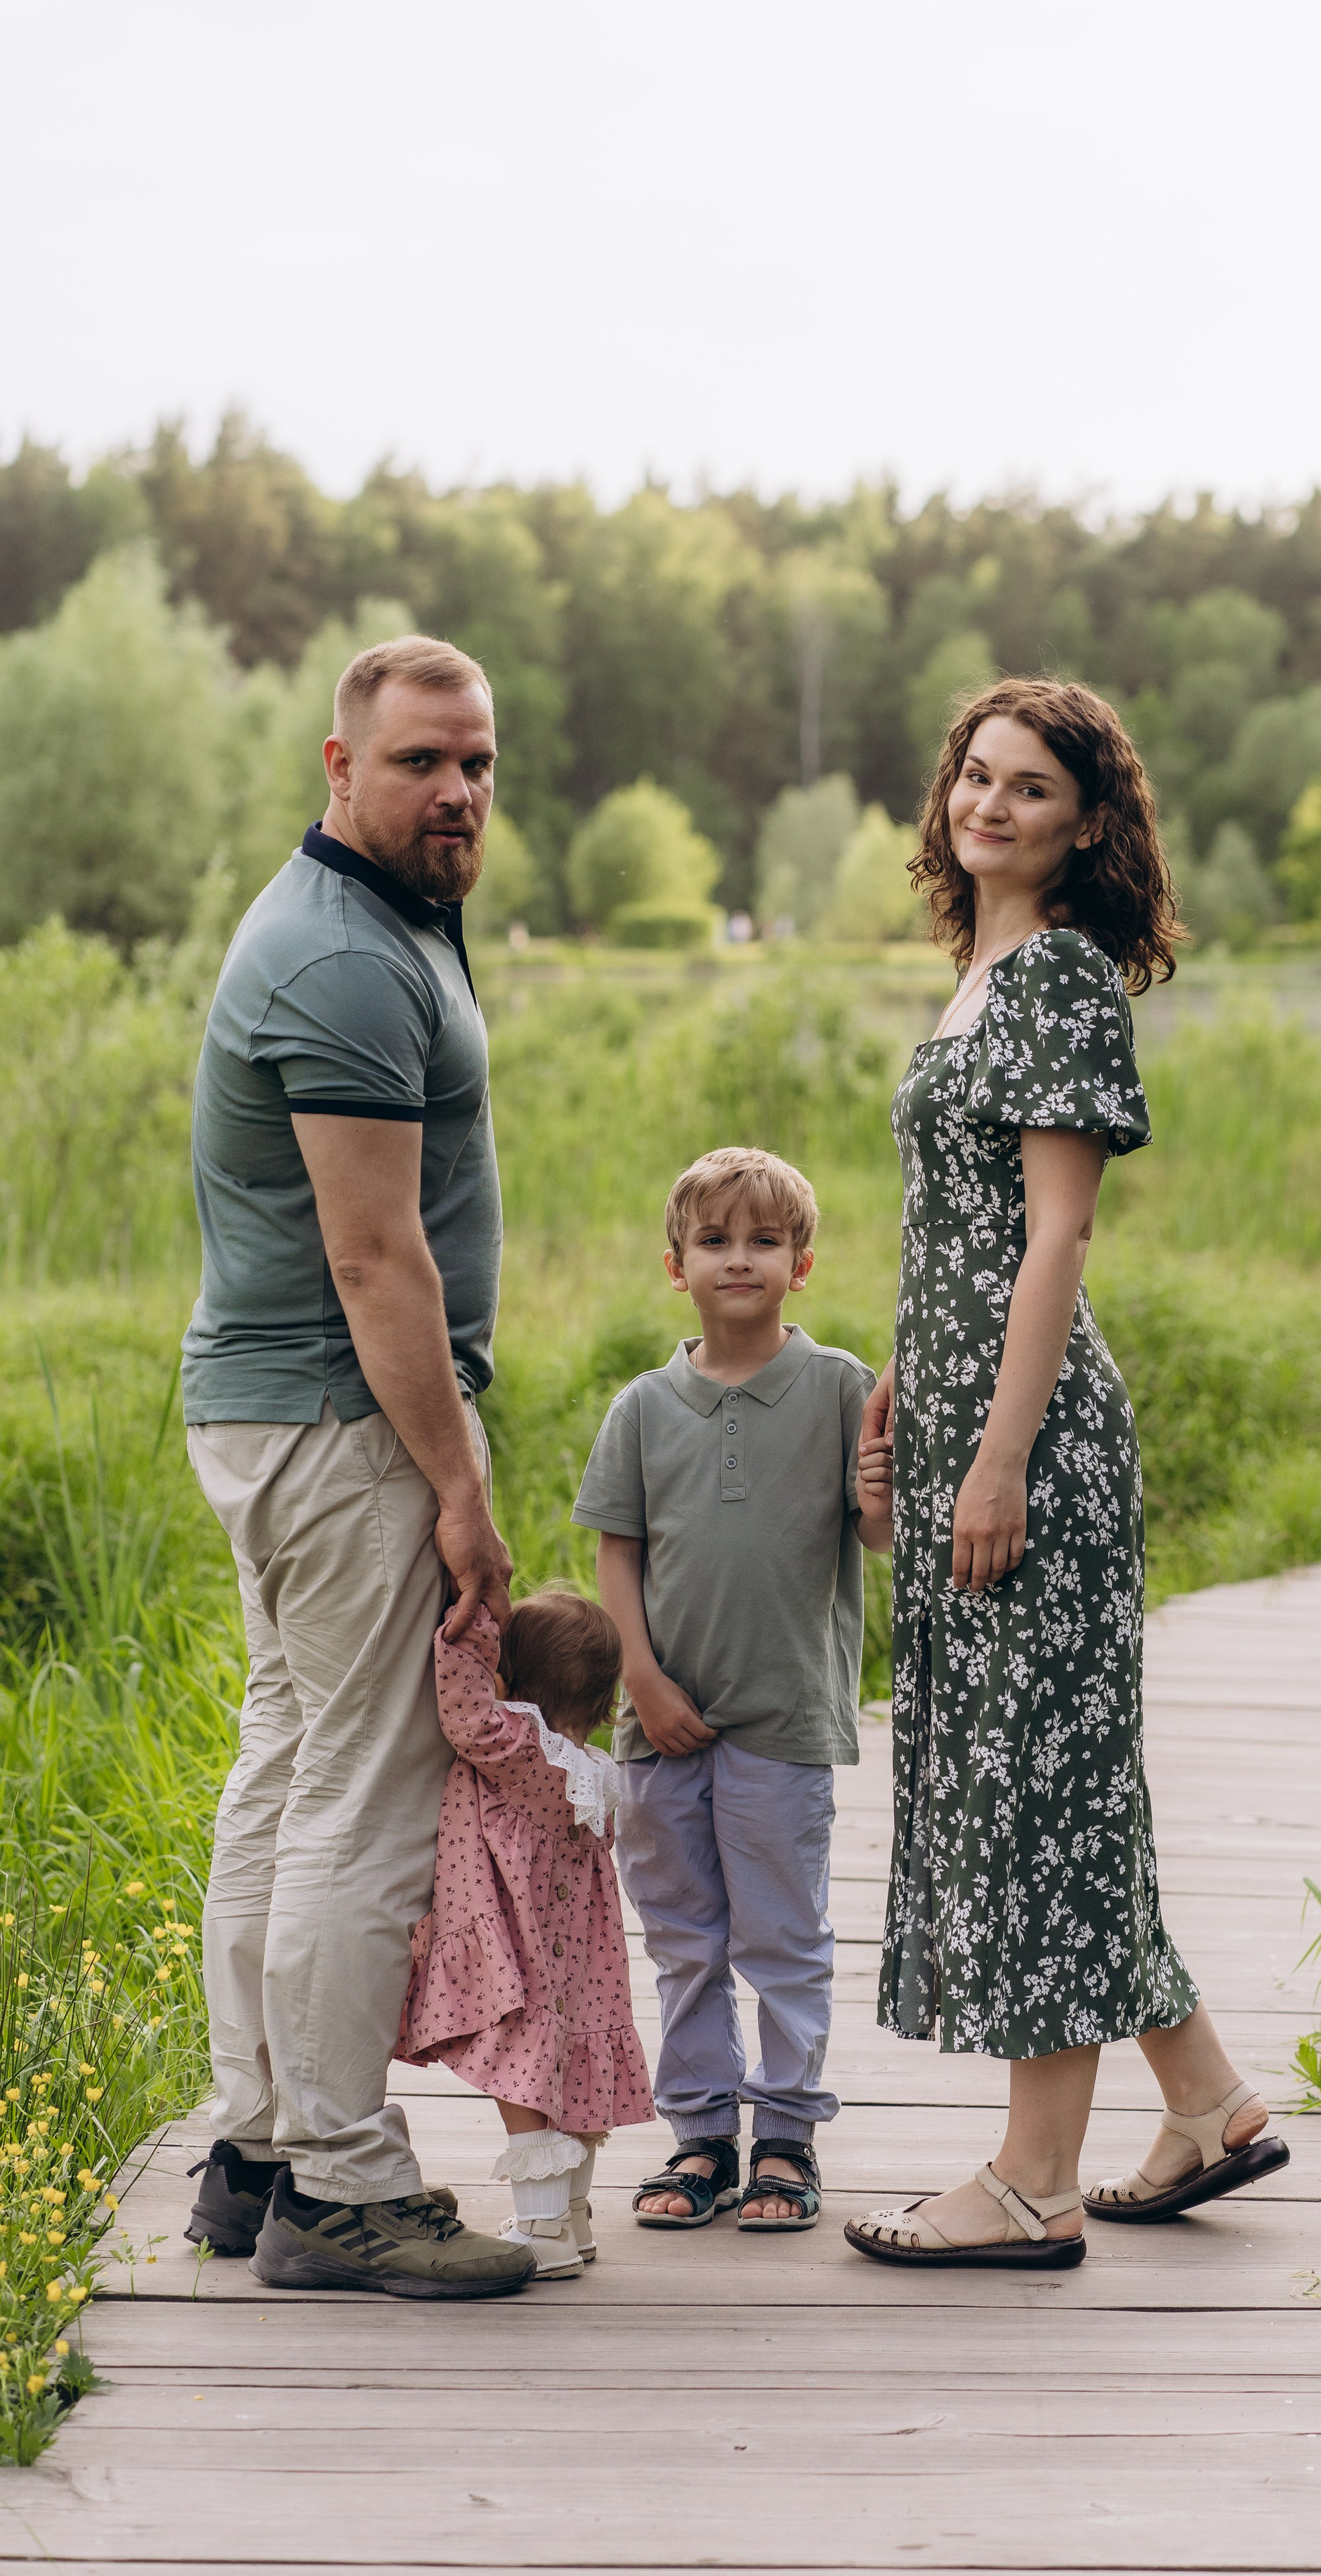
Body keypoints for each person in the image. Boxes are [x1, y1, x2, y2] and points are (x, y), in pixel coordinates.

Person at [843, 678, 1289, 2271]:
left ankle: (1032, 2180)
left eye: (1029, 786)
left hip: (1031, 1451)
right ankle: (1209, 2103)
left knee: (1042, 1794)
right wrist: (912, 1372)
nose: (989, 803)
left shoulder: (1054, 982)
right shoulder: (974, 973)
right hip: (969, 1409)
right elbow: (957, 1228)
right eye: (974, 775)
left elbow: (1056, 1231)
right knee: (1056, 1784)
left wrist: (1000, 1454)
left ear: (1086, 819)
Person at [180, 635, 537, 2299]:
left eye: (474, 760)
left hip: (284, 1415)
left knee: (287, 1763)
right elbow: (374, 1256)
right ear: (340, 766)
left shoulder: (382, 923)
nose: (456, 790)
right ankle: (341, 2184)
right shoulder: (340, 956)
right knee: (361, 1794)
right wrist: (458, 1485)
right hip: (342, 1421)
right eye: (418, 762)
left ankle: (255, 2143)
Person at [574, 1147, 891, 2233]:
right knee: (685, 1938)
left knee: (782, 1936)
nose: (739, 1259)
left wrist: (882, 1489)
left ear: (802, 1265)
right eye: (715, 1241)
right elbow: (618, 1555)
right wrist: (644, 1677)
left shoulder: (843, 1387)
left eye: (764, 1240)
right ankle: (701, 2134)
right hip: (658, 1727)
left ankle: (788, 2139)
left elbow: (879, 1535)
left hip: (785, 1717)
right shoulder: (644, 1408)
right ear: (677, 1266)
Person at [396, 1591, 656, 2278]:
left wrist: (469, 1618)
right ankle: (571, 2216)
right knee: (571, 2067)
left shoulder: (518, 1749)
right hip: (581, 1969)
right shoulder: (592, 1774)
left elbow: (466, 1715)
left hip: (519, 1953)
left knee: (527, 2080)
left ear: (512, 1681)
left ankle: (541, 2230)